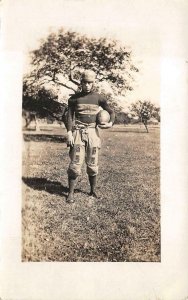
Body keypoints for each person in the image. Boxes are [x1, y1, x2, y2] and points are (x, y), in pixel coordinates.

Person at [66, 70, 115, 203]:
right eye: (85, 82)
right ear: (81, 82)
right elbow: (69, 116)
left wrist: (110, 123)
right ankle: (70, 193)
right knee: (75, 164)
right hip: (78, 133)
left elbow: (111, 111)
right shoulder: (74, 99)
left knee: (93, 163)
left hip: (93, 133)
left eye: (90, 83)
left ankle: (92, 191)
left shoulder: (99, 98)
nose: (87, 85)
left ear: (93, 83)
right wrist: (69, 132)